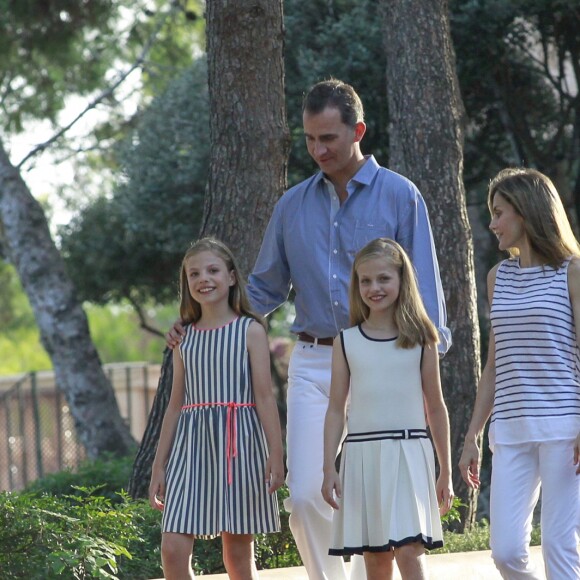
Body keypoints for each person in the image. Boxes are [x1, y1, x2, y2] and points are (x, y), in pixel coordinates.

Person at [168, 79, 450, 580]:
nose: (318, 150)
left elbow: (425, 288)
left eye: (329, 139)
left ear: (357, 131)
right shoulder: (291, 206)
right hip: (316, 358)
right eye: (309, 140)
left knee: (372, 491)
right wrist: (198, 318)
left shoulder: (401, 196)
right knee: (304, 495)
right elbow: (262, 289)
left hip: (384, 361)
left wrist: (424, 355)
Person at [459, 168, 580, 579]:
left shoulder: (572, 272)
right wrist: (474, 433)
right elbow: (495, 362)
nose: (492, 223)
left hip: (566, 429)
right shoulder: (499, 278)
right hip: (510, 429)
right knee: (507, 552)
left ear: (525, 213)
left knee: (560, 547)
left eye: (499, 212)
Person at [150, 237, 284, 580]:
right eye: (194, 273)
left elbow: (265, 397)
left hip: (239, 446)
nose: (203, 279)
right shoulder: (183, 338)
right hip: (190, 448)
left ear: (231, 277)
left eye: (212, 270)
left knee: (237, 555)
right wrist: (159, 466)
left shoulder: (251, 330)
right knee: (172, 547)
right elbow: (175, 404)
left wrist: (276, 454)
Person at [321, 238, 453, 580]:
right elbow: (336, 409)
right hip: (363, 458)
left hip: (410, 453)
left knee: (409, 551)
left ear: (400, 280)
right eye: (365, 281)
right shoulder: (346, 342)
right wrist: (328, 467)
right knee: (376, 560)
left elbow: (435, 407)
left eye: (383, 279)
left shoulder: (423, 338)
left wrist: (446, 470)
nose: (373, 288)